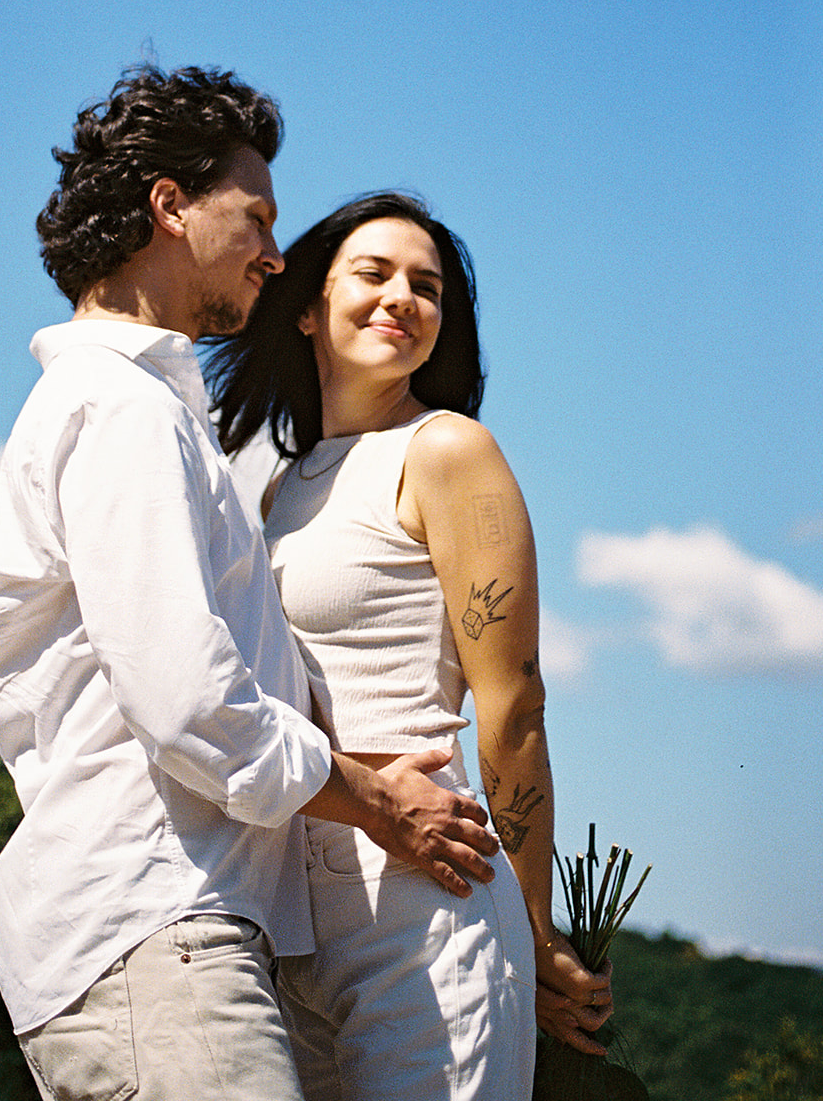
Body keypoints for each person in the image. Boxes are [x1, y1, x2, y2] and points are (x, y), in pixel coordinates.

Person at [0, 71, 498, 1101]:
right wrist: (381, 803)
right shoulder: (119, 409)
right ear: (169, 207)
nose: (272, 250)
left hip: (161, 934)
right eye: (253, 215)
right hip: (152, 930)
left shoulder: (133, 411)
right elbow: (190, 703)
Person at [209, 191, 614, 1101]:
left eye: (427, 287)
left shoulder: (446, 451)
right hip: (291, 910)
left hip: (429, 894)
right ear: (308, 306)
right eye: (375, 272)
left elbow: (514, 700)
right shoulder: (281, 490)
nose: (402, 297)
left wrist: (538, 926)